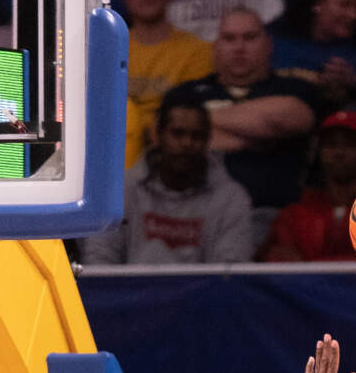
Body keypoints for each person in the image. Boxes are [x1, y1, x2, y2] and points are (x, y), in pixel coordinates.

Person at [162, 7, 317, 239]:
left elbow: (283, 120)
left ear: (269, 44)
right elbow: (163, 138)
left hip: (275, 217)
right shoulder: (187, 94)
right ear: (216, 46)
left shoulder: (295, 89)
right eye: (229, 38)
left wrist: (198, 126)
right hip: (194, 216)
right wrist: (256, 135)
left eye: (250, 38)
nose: (239, 48)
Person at [82, 99, 258, 264]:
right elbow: (99, 260)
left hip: (203, 296)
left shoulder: (231, 198)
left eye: (197, 136)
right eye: (177, 133)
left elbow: (230, 273)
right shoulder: (120, 190)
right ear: (157, 136)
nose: (187, 143)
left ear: (207, 142)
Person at [119, 0, 213, 169]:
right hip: (117, 153)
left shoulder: (198, 51)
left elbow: (194, 117)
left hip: (173, 156)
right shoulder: (111, 48)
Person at [261, 109, 356, 261]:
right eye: (331, 145)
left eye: (350, 145)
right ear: (318, 152)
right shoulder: (295, 214)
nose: (339, 152)